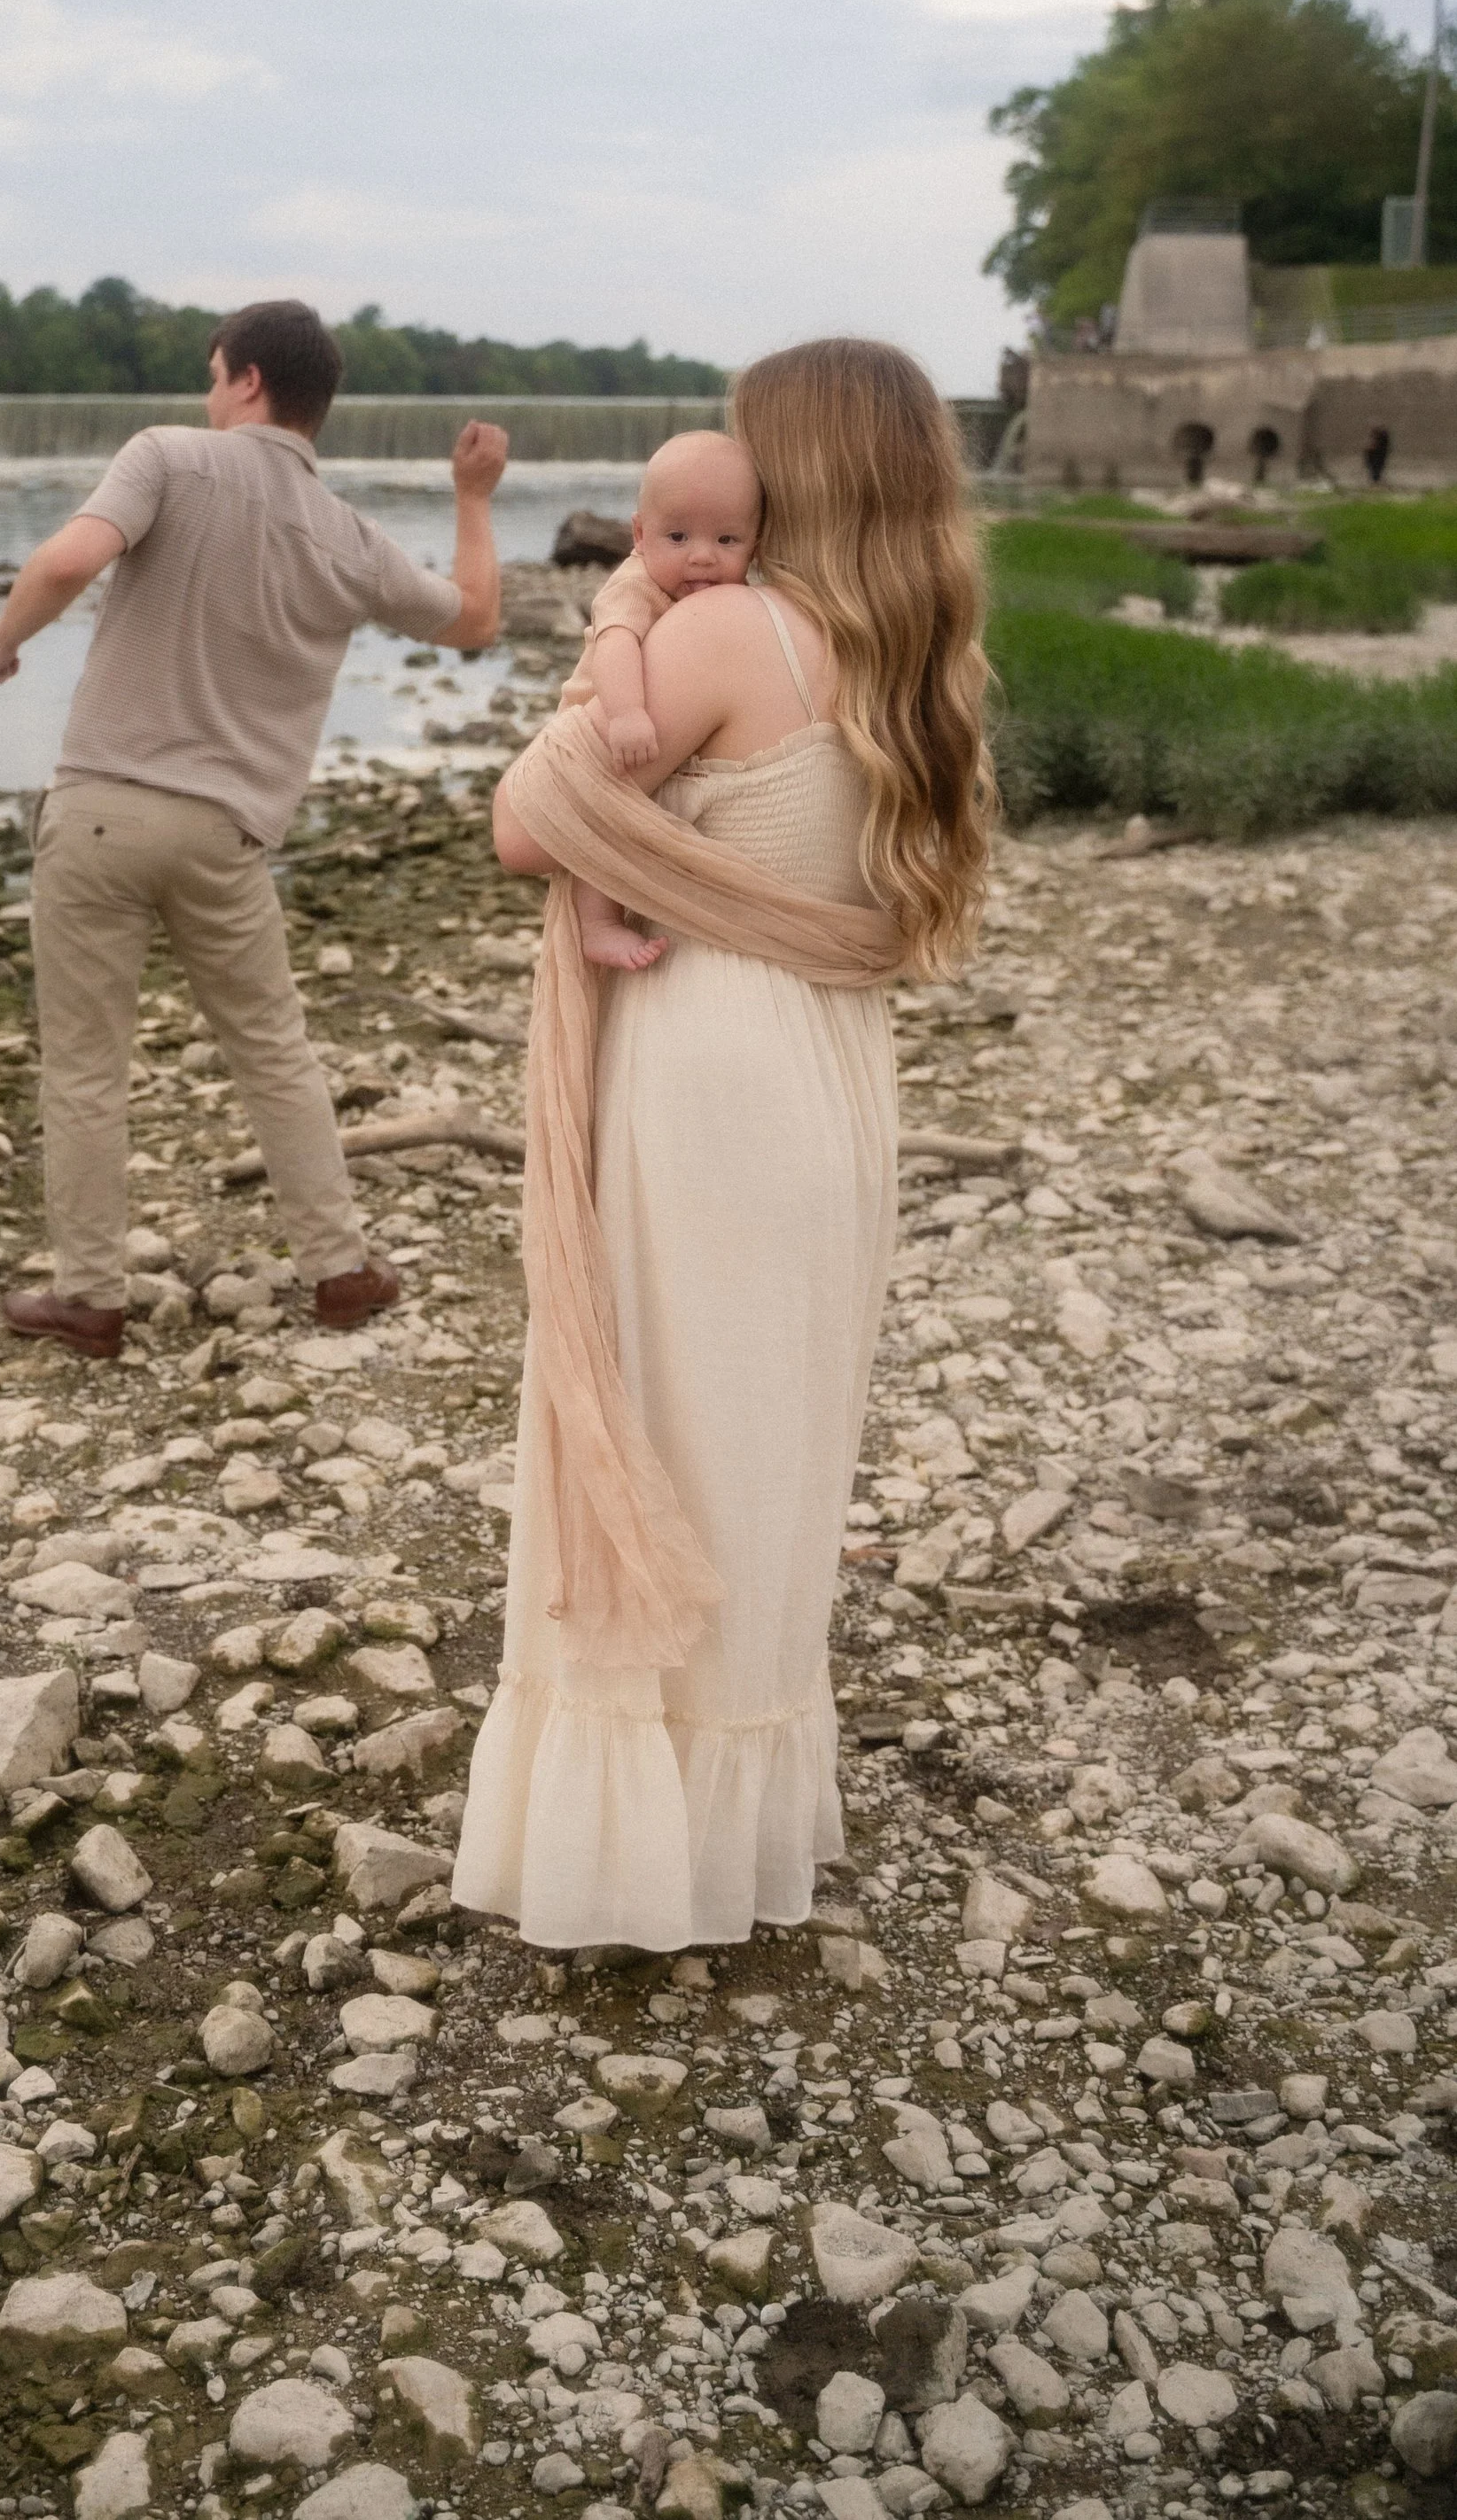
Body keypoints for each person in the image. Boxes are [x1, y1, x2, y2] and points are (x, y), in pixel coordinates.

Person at [452, 338, 993, 1951]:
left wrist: (620, 611)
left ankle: (632, 1850)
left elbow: (524, 825)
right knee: (769, 1434)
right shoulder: (923, 651)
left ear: (797, 472)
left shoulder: (733, 628)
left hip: (709, 1058)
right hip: (829, 1064)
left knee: (667, 1414)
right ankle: (737, 1824)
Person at [0, 298, 510, 1360]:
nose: (208, 389)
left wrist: (1, 644)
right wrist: (471, 498)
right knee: (273, 1049)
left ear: (249, 381)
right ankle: (341, 1268)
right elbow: (476, 622)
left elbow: (68, 563)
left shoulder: (168, 456)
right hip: (227, 834)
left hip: (99, 813)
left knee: (86, 1064)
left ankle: (89, 1295)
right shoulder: (347, 536)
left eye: (214, 371)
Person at [557, 429, 762, 972]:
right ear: (639, 535)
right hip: (605, 719)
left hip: (656, 726)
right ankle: (596, 923)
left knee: (643, 827)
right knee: (603, 822)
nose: (702, 558)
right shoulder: (633, 585)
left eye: (727, 541)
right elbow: (616, 643)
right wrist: (625, 714)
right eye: (677, 537)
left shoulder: (727, 595)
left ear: (756, 543)